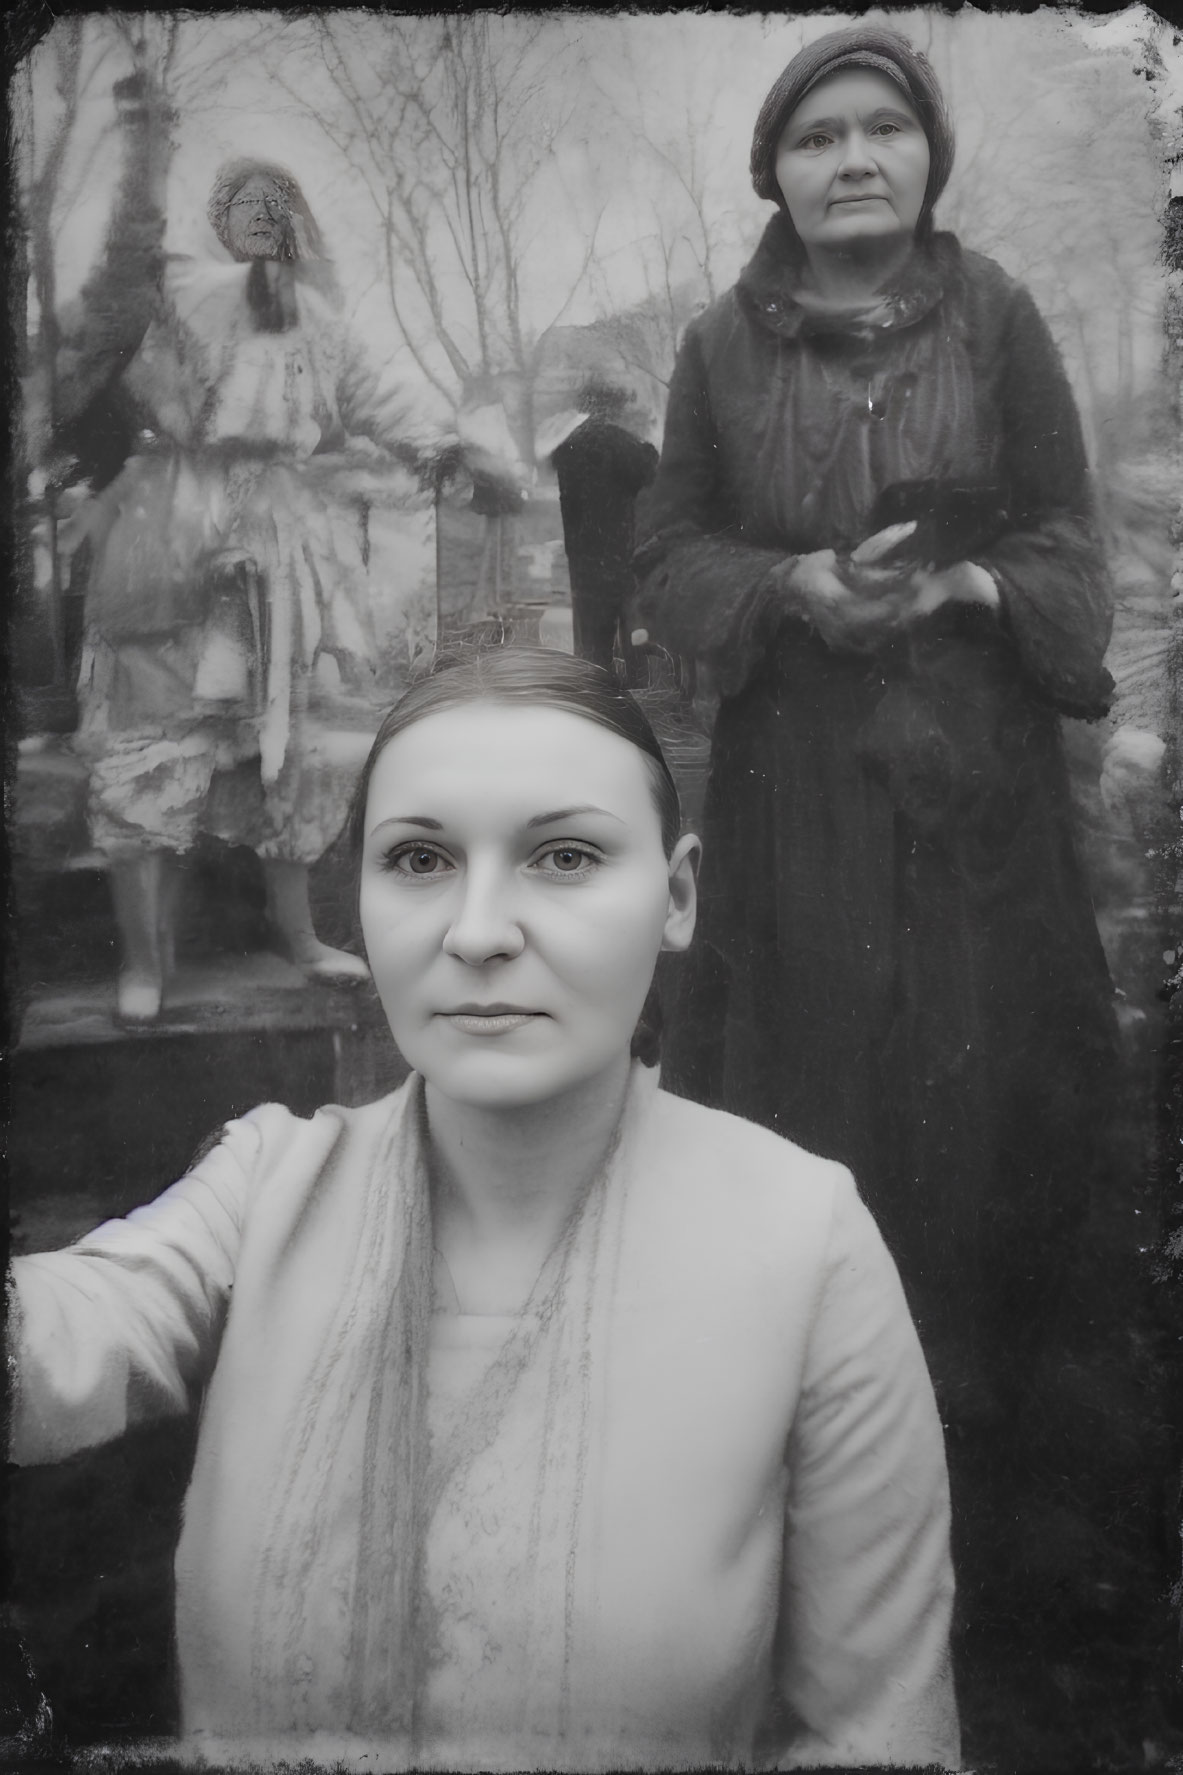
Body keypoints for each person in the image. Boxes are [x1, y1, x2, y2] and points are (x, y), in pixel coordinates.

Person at [9, 647, 960, 1772]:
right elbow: (61, 1337)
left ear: (678, 895)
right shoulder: (267, 1191)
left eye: (564, 855)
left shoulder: (802, 1241)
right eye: (418, 858)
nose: (476, 931)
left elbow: (876, 1725)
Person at [632, 20, 1121, 1724]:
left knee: (986, 1149)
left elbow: (1073, 555)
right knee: (808, 1132)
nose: (852, 159)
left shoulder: (994, 321)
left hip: (978, 823)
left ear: (926, 161)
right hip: (797, 823)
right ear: (769, 167)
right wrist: (787, 594)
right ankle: (803, 1534)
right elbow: (670, 556)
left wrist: (969, 595)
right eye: (817, 135)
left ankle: (992, 1556)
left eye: (883, 132)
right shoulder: (714, 345)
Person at [55, 146, 495, 1022]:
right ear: (217, 221)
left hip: (287, 542)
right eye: (244, 203)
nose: (263, 214)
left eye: (277, 201)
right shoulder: (174, 299)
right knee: (155, 734)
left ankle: (298, 939)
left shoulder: (323, 322)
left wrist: (449, 448)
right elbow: (97, 349)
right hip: (173, 529)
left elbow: (377, 396)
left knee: (287, 742)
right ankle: (145, 962)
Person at [551, 380, 658, 675]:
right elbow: (650, 469)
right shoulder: (618, 441)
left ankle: (597, 704)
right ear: (612, 407)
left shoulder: (569, 445)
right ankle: (640, 707)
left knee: (592, 649)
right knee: (635, 641)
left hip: (585, 567)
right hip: (621, 561)